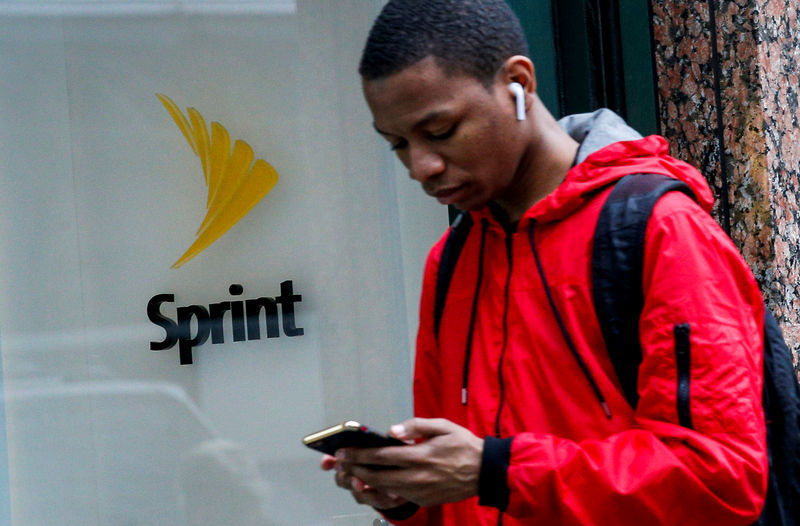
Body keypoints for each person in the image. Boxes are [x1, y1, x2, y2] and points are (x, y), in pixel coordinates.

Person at [320, 0, 768, 524]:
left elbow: (722, 479)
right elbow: (460, 495)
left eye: (439, 131)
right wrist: (408, 494)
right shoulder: (450, 261)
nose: (421, 166)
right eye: (398, 144)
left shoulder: (661, 231)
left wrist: (496, 471)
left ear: (518, 82)